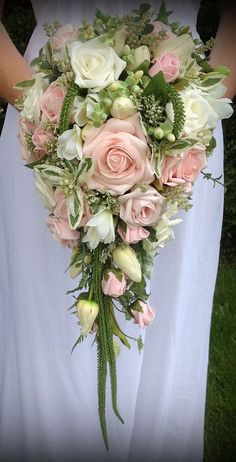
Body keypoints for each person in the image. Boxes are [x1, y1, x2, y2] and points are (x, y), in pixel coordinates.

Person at [0, 1, 235, 461]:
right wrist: (49, 107)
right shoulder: (45, 112)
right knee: (48, 328)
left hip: (181, 130)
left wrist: (194, 107)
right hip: (43, 122)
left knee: (167, 327)